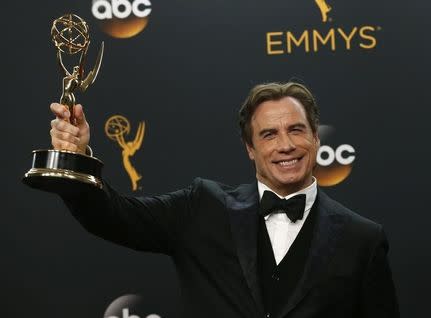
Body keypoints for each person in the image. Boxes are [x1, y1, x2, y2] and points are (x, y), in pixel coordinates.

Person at [49, 82, 399, 318]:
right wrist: (76, 159)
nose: (285, 145)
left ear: (315, 139)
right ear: (250, 148)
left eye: (296, 130)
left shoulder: (362, 240)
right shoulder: (202, 207)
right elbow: (113, 216)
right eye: (268, 135)